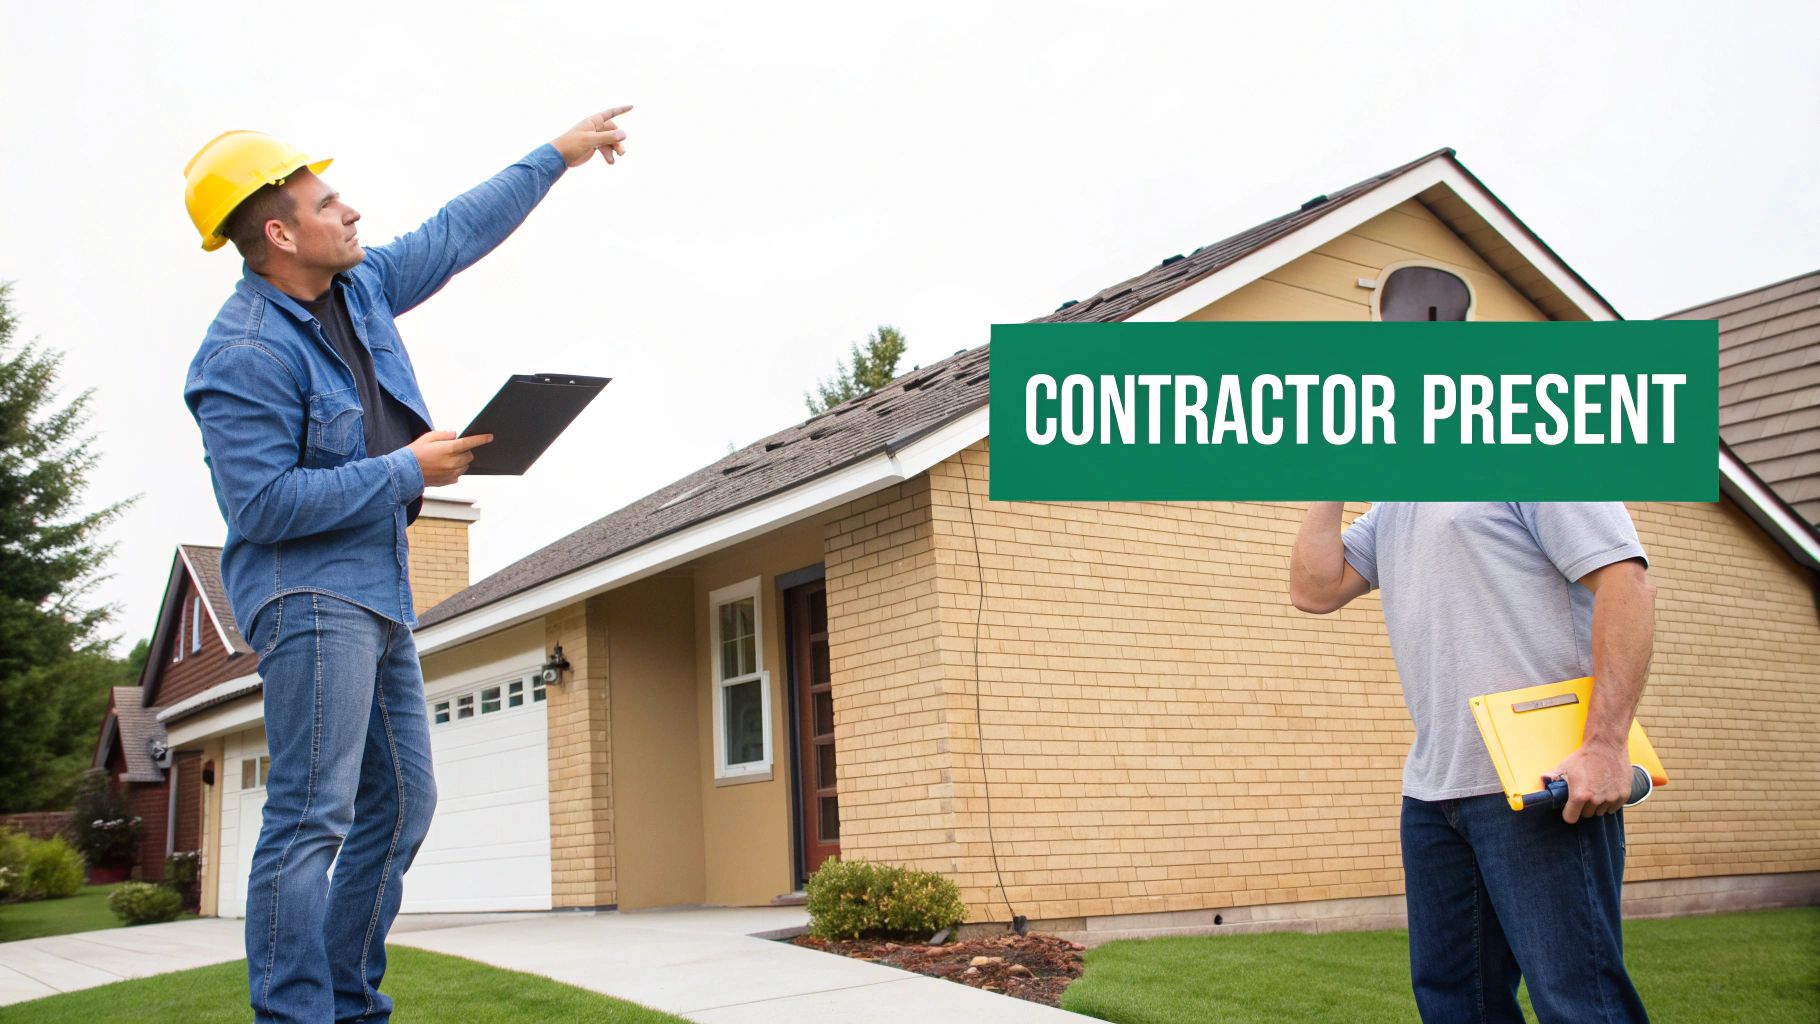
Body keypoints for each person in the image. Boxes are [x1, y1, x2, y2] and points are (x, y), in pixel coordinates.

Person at [181, 107, 632, 1024]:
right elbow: (260, 506)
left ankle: (349, 1001)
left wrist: (557, 154)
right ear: (279, 231)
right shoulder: (240, 356)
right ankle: (296, 1015)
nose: (350, 212)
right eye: (327, 200)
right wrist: (404, 469)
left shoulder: (363, 290)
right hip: (308, 596)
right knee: (311, 818)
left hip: (379, 589)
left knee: (404, 803)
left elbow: (456, 232)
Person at [1289, 501, 1655, 1024]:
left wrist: (1605, 745)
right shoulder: (1394, 503)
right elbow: (1313, 590)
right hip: (1433, 793)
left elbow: (1628, 586)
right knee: (1455, 1004)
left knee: (1581, 1004)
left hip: (1543, 782)